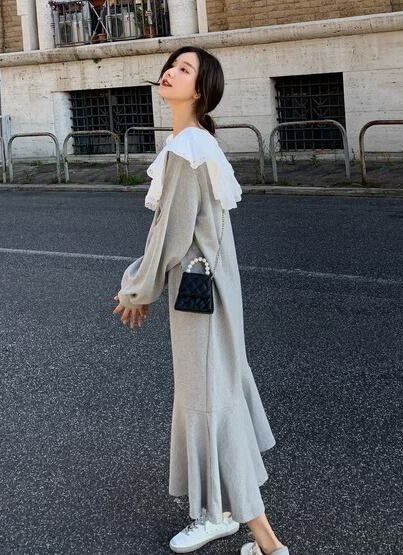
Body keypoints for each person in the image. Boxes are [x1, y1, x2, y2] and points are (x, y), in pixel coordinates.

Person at [112, 46, 289, 555]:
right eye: (172, 65)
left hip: (198, 296)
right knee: (215, 395)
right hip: (212, 291)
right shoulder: (194, 143)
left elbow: (170, 234)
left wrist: (137, 288)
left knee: (208, 404)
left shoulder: (187, 148)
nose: (171, 72)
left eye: (185, 69)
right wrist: (148, 285)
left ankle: (268, 542)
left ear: (201, 90)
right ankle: (217, 512)